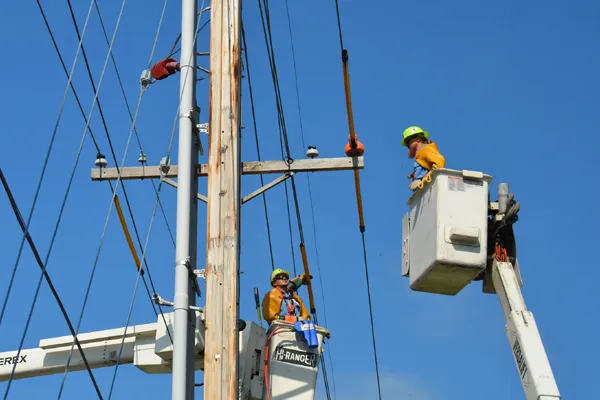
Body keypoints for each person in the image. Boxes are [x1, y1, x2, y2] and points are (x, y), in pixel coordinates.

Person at [402, 125, 446, 191]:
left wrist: (427, 177)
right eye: (406, 143)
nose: (407, 144)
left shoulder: (425, 149)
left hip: (428, 186)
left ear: (418, 139)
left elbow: (440, 161)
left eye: (408, 140)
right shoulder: (420, 153)